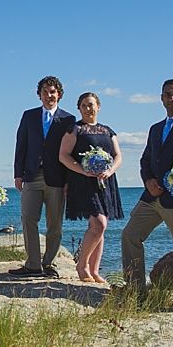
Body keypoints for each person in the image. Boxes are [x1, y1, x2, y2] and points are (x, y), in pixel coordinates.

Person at [121, 79, 173, 307]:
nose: (172, 98)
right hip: (151, 197)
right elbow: (145, 159)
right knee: (130, 235)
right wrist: (148, 181)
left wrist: (172, 182)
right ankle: (136, 290)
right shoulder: (155, 128)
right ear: (161, 98)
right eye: (168, 94)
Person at [9, 75, 75, 279]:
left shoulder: (68, 119)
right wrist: (18, 174)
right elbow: (21, 145)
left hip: (57, 178)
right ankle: (32, 265)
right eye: (45, 92)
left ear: (59, 95)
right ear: (39, 95)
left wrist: (68, 181)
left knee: (54, 223)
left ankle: (49, 264)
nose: (49, 95)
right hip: (31, 175)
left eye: (53, 92)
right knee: (29, 218)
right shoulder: (28, 116)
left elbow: (71, 152)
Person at [58, 92, 124, 284]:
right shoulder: (75, 129)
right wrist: (83, 170)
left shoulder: (107, 130)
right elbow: (63, 155)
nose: (89, 109)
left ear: (99, 107)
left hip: (105, 181)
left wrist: (110, 170)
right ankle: (82, 265)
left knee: (100, 228)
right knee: (99, 223)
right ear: (79, 108)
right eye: (84, 105)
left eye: (91, 105)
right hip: (83, 181)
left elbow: (118, 155)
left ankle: (94, 271)